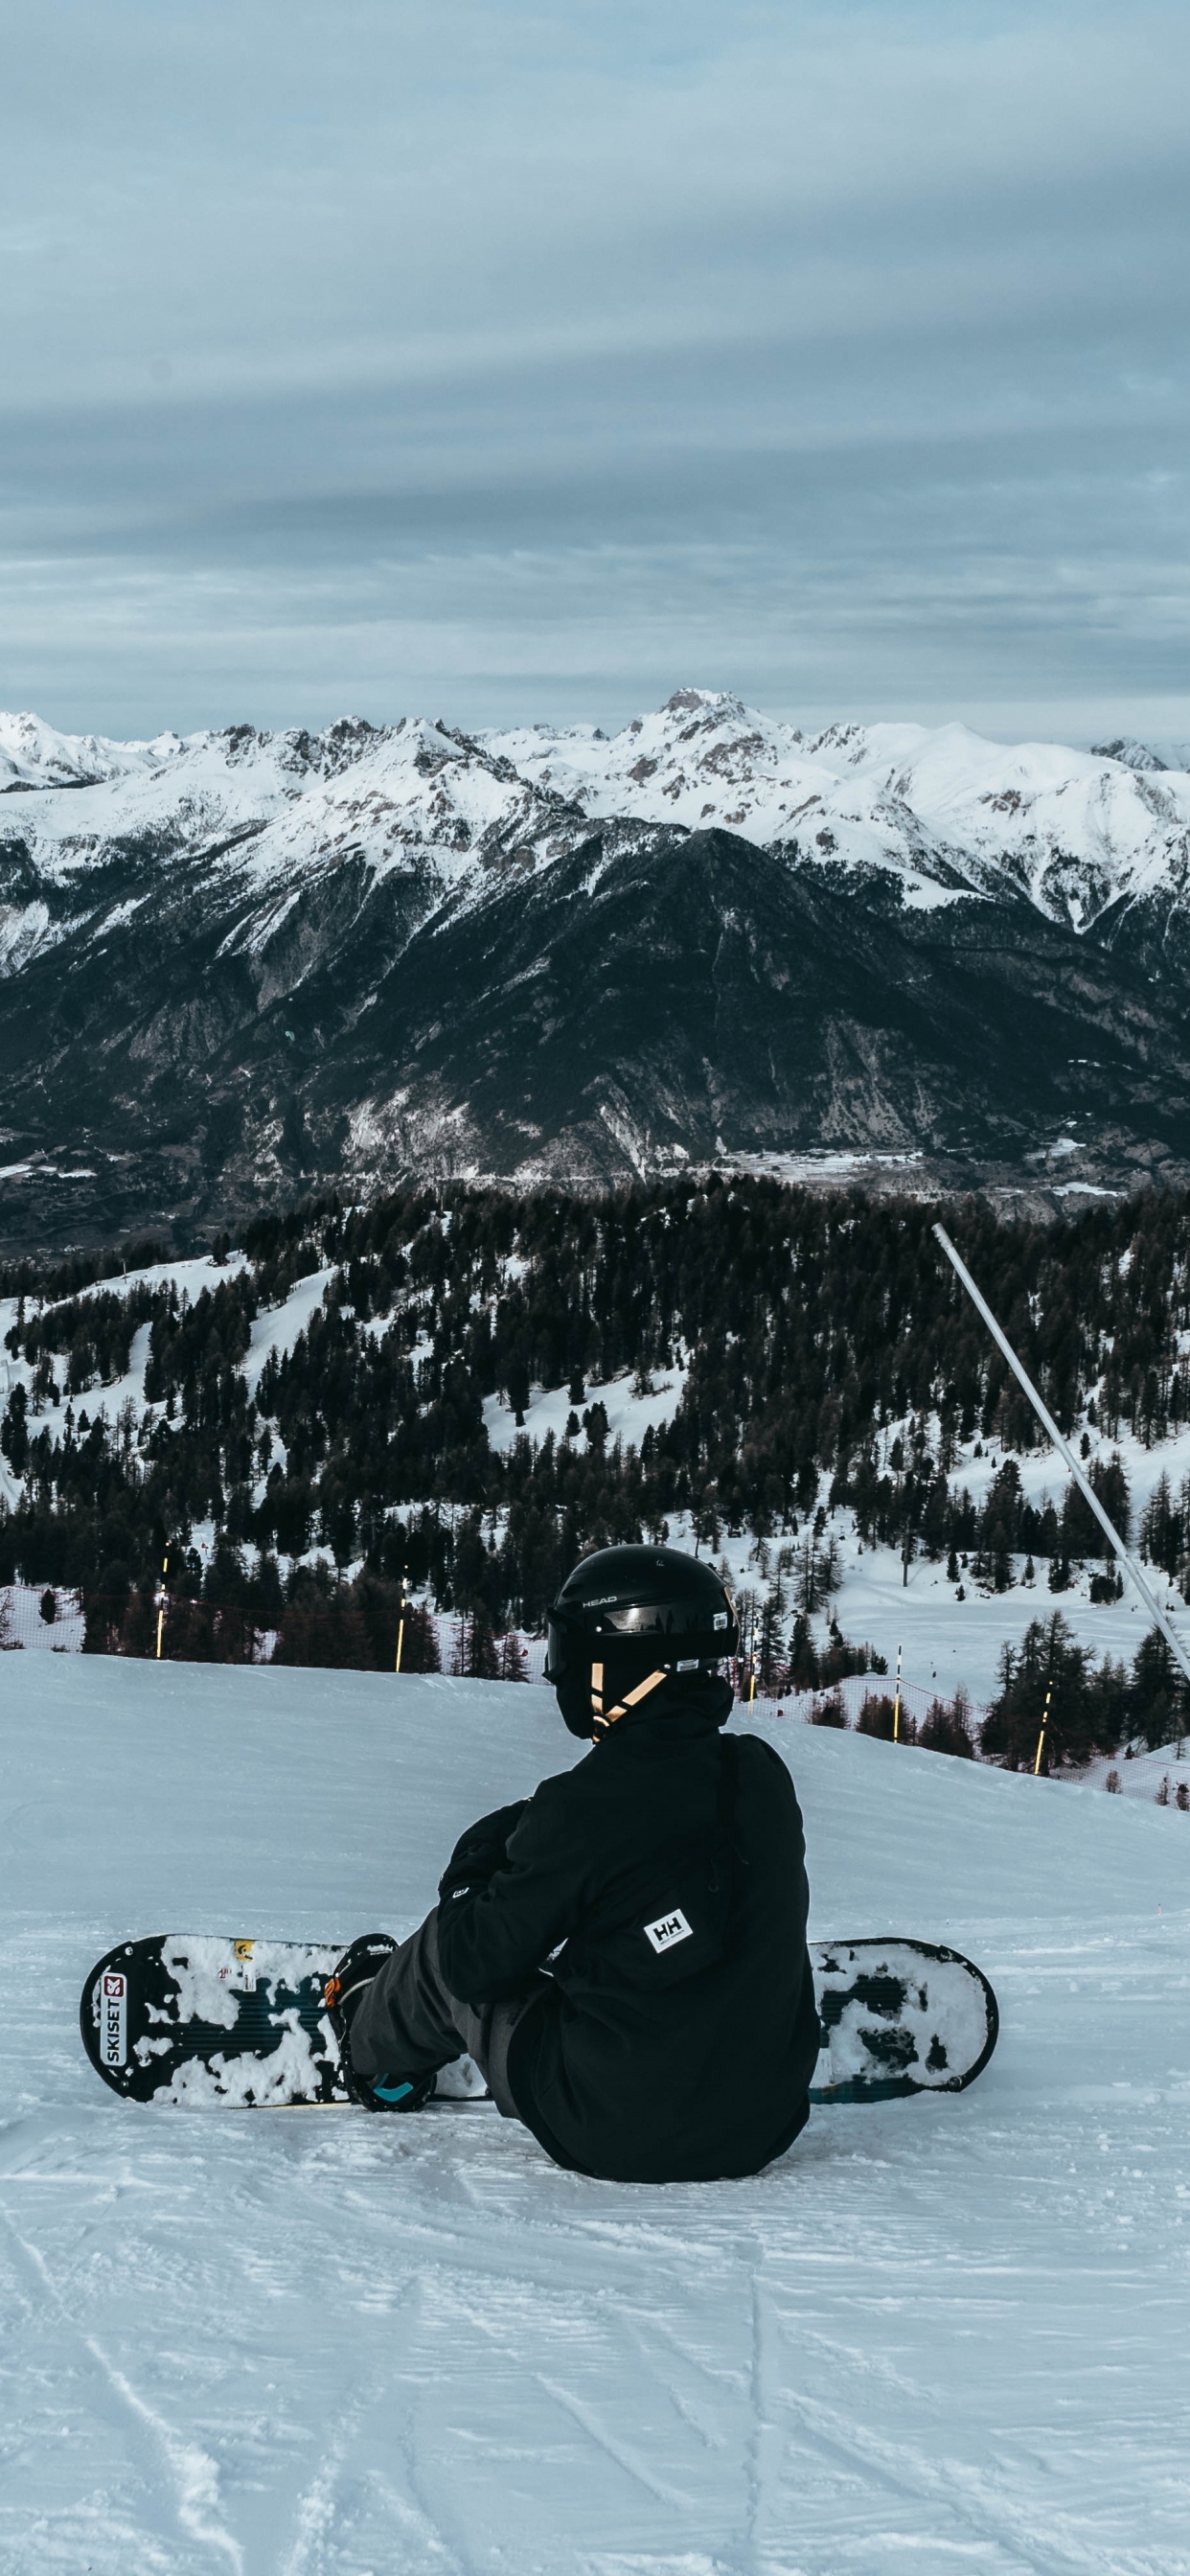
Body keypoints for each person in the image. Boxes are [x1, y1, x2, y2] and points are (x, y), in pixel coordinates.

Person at [325, 1544, 819, 2183]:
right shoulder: (760, 1775)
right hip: (762, 2128)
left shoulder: (584, 1808)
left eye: (567, 1653)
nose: (559, 1674)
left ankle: (376, 2057)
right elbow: (649, 1837)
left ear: (613, 1662)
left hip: (611, 2129)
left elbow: (473, 1964)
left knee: (444, 1953)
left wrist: (472, 1871)